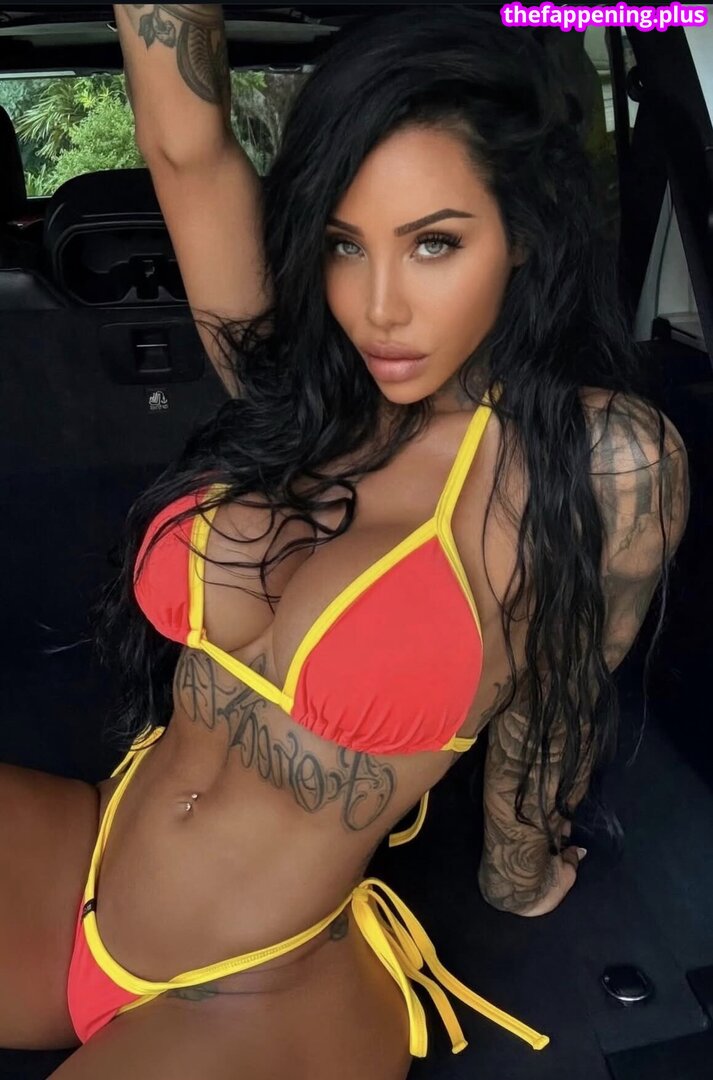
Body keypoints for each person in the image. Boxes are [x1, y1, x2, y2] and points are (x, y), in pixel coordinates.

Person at [0, 5, 688, 1078]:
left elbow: (557, 691)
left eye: (434, 243)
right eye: (341, 243)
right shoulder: (302, 386)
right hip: (86, 866)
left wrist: (515, 871)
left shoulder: (596, 462)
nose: (377, 308)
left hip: (264, 985)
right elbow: (185, 147)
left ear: (522, 234)